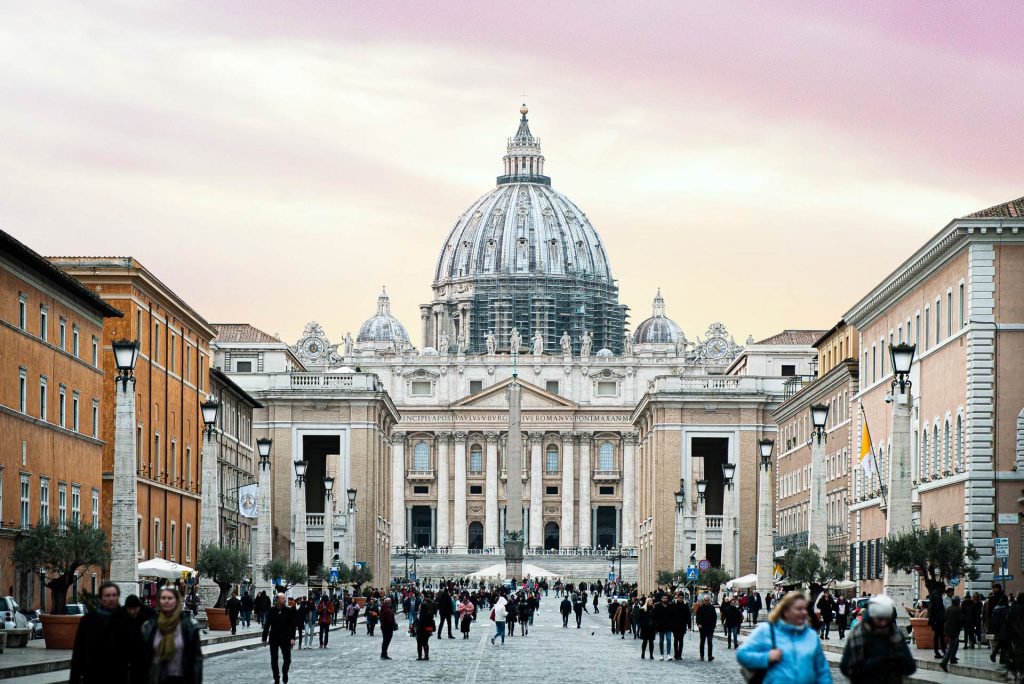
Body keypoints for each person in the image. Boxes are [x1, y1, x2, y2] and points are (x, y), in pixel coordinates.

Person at [737, 590, 831, 684]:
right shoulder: (766, 630)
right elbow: (742, 654)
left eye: (805, 609)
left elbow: (822, 670)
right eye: (799, 609)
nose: (804, 612)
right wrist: (766, 657)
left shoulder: (811, 635)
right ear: (786, 611)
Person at [840, 594, 916, 683]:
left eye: (886, 619)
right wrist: (870, 665)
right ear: (872, 616)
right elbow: (845, 667)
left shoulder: (895, 634)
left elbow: (910, 667)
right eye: (879, 619)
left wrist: (895, 663)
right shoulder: (858, 633)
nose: (883, 623)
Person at [69, 581, 135, 683]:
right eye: (107, 596)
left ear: (118, 597)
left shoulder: (126, 619)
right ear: (100, 599)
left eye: (114, 595)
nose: (111, 599)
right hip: (93, 675)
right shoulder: (88, 620)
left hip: (119, 675)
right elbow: (78, 651)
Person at [138, 587, 203, 684]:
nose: (166, 601)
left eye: (170, 598)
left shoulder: (188, 626)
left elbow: (196, 660)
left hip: (181, 678)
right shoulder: (150, 625)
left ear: (176, 601)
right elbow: (143, 656)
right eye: (163, 598)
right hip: (155, 678)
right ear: (159, 601)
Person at [262, 592, 296, 684]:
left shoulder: (289, 611)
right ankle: (276, 677)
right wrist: (264, 638)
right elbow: (267, 625)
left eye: (285, 598)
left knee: (287, 659)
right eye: (282, 598)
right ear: (277, 600)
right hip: (274, 638)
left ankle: (285, 673)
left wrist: (293, 638)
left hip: (286, 638)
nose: (284, 600)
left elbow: (292, 626)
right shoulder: (272, 610)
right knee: (274, 658)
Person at [939, 595, 961, 671]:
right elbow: (960, 620)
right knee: (951, 646)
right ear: (958, 602)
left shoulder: (948, 609)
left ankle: (952, 658)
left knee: (956, 643)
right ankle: (944, 662)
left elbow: (943, 618)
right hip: (954, 630)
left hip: (947, 629)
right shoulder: (958, 609)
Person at [696, 595, 718, 662]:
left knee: (710, 642)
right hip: (702, 628)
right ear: (703, 601)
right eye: (705, 600)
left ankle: (709, 656)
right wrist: (699, 624)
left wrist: (714, 625)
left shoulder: (712, 607)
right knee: (702, 642)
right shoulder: (700, 608)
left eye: (708, 600)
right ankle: (702, 656)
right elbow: (698, 618)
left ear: (709, 601)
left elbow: (715, 617)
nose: (707, 601)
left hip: (710, 628)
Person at [415, 592, 436, 660]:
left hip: (421, 630)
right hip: (427, 630)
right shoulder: (429, 614)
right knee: (425, 643)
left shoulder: (422, 614)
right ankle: (426, 656)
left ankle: (420, 656)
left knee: (419, 643)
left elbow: (419, 622)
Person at [652, 593, 673, 660]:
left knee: (669, 640)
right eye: (664, 598)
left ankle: (668, 654)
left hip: (668, 627)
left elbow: (673, 616)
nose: (665, 599)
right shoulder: (657, 606)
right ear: (661, 599)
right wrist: (655, 626)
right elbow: (654, 617)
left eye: (666, 598)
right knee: (661, 641)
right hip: (660, 627)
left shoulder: (670, 606)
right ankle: (661, 654)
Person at [671, 592, 692, 660]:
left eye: (682, 598)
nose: (681, 599)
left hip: (682, 625)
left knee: (681, 640)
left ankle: (679, 654)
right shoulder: (674, 604)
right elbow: (670, 615)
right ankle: (676, 654)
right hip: (675, 625)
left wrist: (689, 625)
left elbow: (688, 616)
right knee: (675, 640)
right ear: (677, 597)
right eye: (680, 597)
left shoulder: (685, 605)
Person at [927, 584, 946, 659]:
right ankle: (942, 651)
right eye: (943, 588)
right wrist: (942, 617)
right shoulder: (937, 596)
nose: (944, 589)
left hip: (935, 619)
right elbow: (939, 608)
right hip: (938, 619)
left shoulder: (933, 595)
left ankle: (938, 651)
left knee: (937, 635)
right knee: (940, 635)